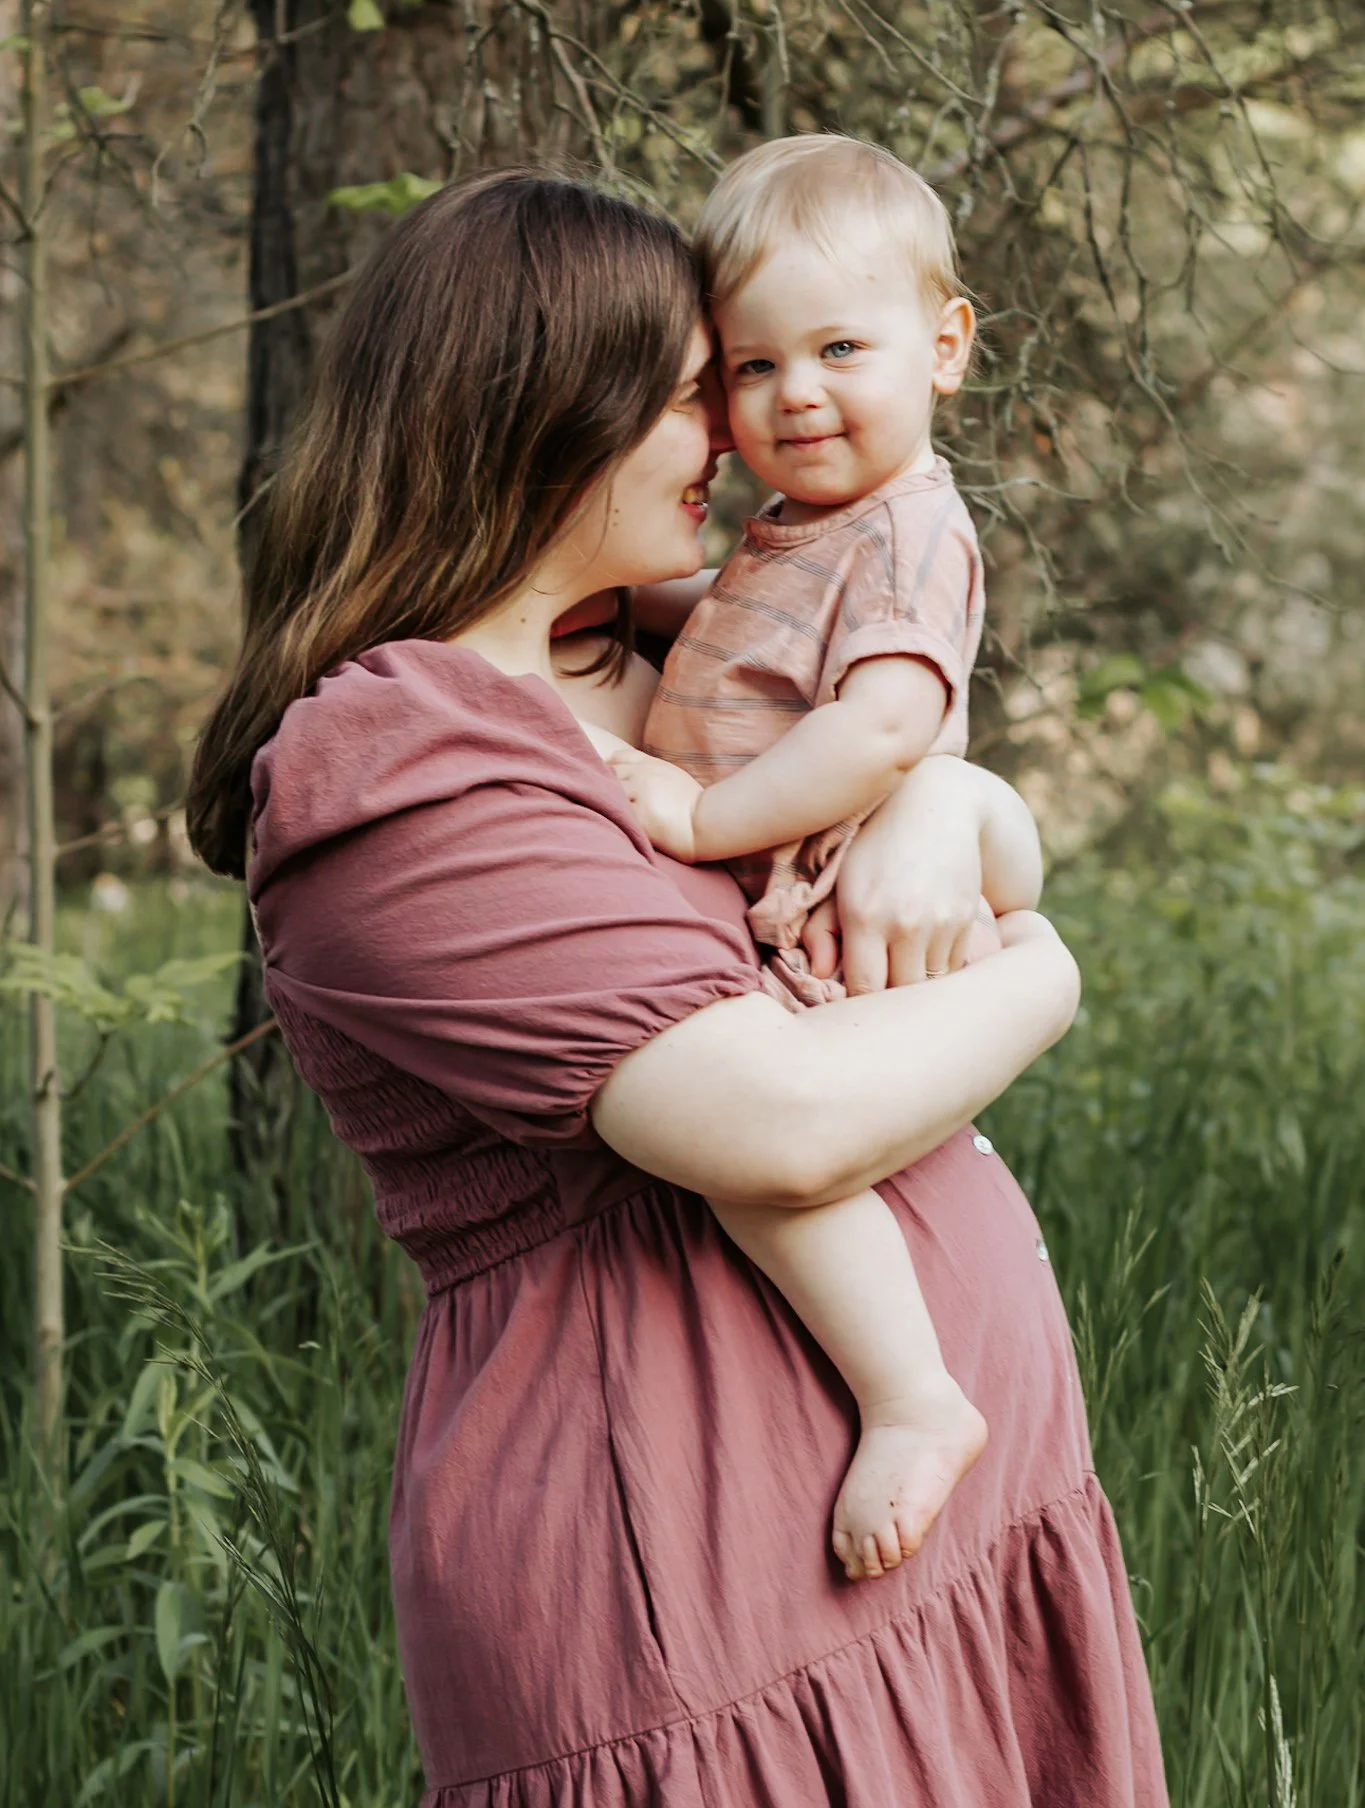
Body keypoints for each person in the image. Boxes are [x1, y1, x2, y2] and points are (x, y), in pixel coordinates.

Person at [187, 170, 1167, 1805]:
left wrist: (948, 807)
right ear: (537, 413)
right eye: (688, 388)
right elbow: (771, 1123)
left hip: (956, 1560)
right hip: (702, 1604)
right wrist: (1048, 977)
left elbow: (916, 788)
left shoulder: (655, 655)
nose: (739, 423)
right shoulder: (392, 765)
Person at [596, 136, 994, 1585]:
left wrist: (702, 823)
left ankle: (911, 1395)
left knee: (772, 1170)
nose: (795, 394)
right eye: (752, 369)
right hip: (764, 899)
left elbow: (883, 727)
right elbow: (737, 624)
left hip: (806, 907)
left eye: (838, 347)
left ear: (944, 348)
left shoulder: (907, 536)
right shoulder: (807, 529)